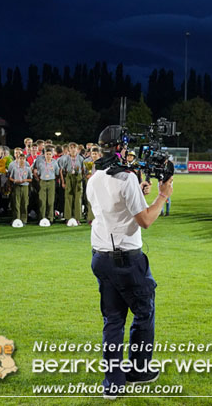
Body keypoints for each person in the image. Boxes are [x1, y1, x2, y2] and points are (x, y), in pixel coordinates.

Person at [86, 126, 174, 398]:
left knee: (113, 320)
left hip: (100, 256)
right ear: (121, 149)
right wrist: (162, 195)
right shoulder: (125, 179)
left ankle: (112, 383)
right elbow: (145, 220)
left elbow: (111, 210)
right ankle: (139, 369)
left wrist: (139, 191)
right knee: (144, 312)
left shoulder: (94, 177)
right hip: (127, 260)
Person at [33, 148, 61, 225]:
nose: (48, 156)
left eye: (49, 154)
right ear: (44, 155)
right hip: (42, 181)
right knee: (42, 200)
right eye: (47, 154)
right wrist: (38, 178)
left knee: (50, 201)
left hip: (51, 181)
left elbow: (57, 173)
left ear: (52, 155)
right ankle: (42, 217)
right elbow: (36, 171)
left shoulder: (55, 163)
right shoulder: (40, 162)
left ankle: (50, 218)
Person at [59, 142, 85, 224]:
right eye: (71, 148)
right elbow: (61, 170)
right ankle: (68, 217)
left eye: (74, 148)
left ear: (77, 150)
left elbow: (83, 169)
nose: (73, 150)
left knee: (78, 198)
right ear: (69, 150)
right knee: (68, 197)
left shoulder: (81, 158)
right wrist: (63, 182)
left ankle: (77, 218)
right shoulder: (65, 158)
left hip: (78, 177)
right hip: (69, 177)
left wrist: (82, 178)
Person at [8, 154, 32, 225]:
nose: (21, 160)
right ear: (18, 160)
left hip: (25, 186)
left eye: (23, 159)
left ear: (25, 160)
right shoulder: (15, 168)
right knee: (16, 203)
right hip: (17, 186)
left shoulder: (28, 169)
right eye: (20, 159)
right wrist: (15, 180)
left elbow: (31, 179)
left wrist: (25, 180)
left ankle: (24, 220)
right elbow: (10, 177)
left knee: (24, 203)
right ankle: (16, 219)